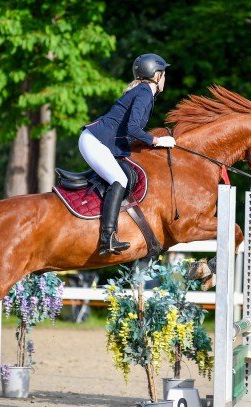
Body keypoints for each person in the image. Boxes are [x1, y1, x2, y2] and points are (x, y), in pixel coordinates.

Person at [79, 53, 176, 256]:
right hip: (94, 142)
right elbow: (133, 128)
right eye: (164, 74)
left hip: (97, 142)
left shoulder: (142, 91)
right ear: (157, 76)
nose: (165, 78)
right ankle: (107, 239)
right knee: (120, 179)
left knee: (122, 176)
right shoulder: (144, 92)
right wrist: (157, 141)